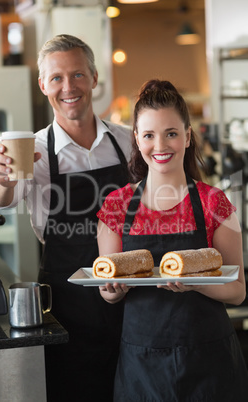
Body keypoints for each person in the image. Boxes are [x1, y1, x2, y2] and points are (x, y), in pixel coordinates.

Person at [0, 34, 131, 401]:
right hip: (68, 304)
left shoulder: (128, 141)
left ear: (94, 78)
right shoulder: (31, 152)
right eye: (57, 78)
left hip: (133, 295)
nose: (69, 87)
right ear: (42, 85)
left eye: (78, 75)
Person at [96, 79, 248, 401]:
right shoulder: (116, 207)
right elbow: (107, 290)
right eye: (149, 135)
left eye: (172, 133)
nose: (160, 145)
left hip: (210, 364)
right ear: (137, 138)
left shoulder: (214, 203)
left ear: (188, 136)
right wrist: (112, 291)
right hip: (142, 366)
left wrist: (194, 283)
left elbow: (237, 291)